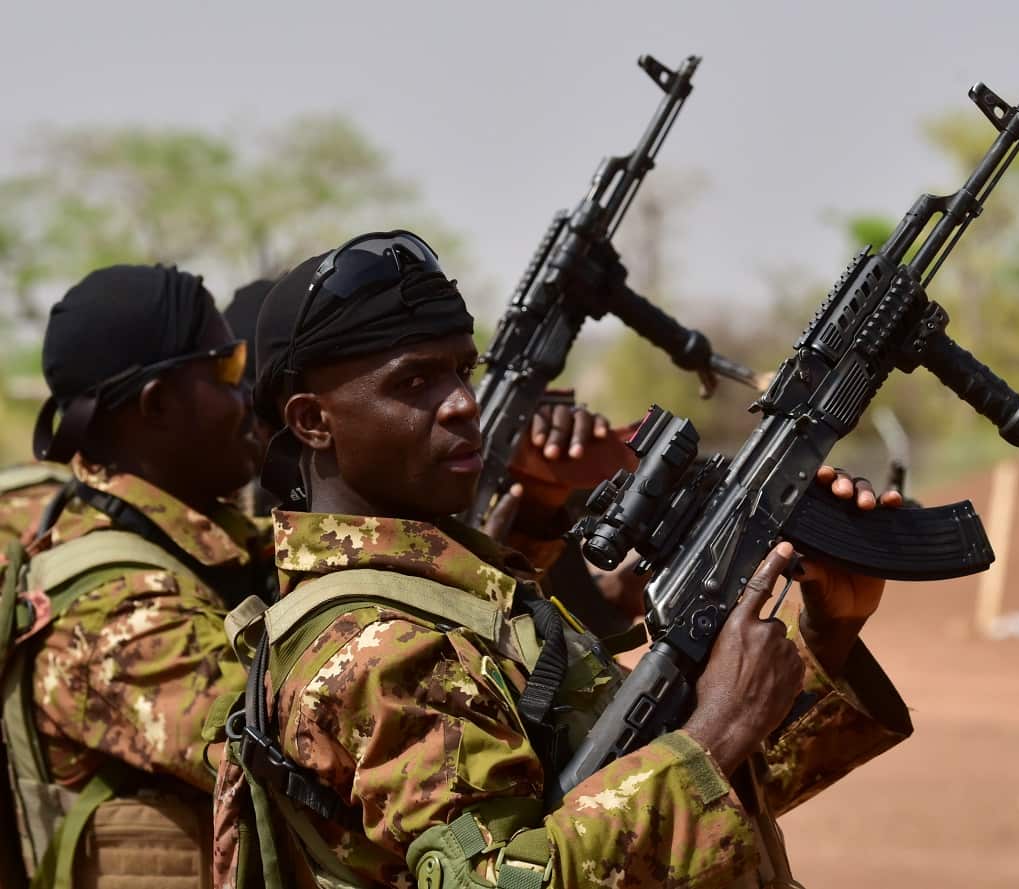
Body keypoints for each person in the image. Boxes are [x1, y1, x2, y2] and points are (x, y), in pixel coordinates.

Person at [213, 230, 913, 889]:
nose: (462, 404)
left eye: (461, 370)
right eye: (414, 382)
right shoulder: (378, 648)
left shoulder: (459, 600)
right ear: (313, 420)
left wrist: (825, 635)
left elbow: (678, 821)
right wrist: (715, 733)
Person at [0, 264, 271, 888]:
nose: (247, 396)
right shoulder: (117, 609)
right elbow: (311, 763)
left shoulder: (196, 544)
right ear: (158, 405)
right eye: (227, 369)